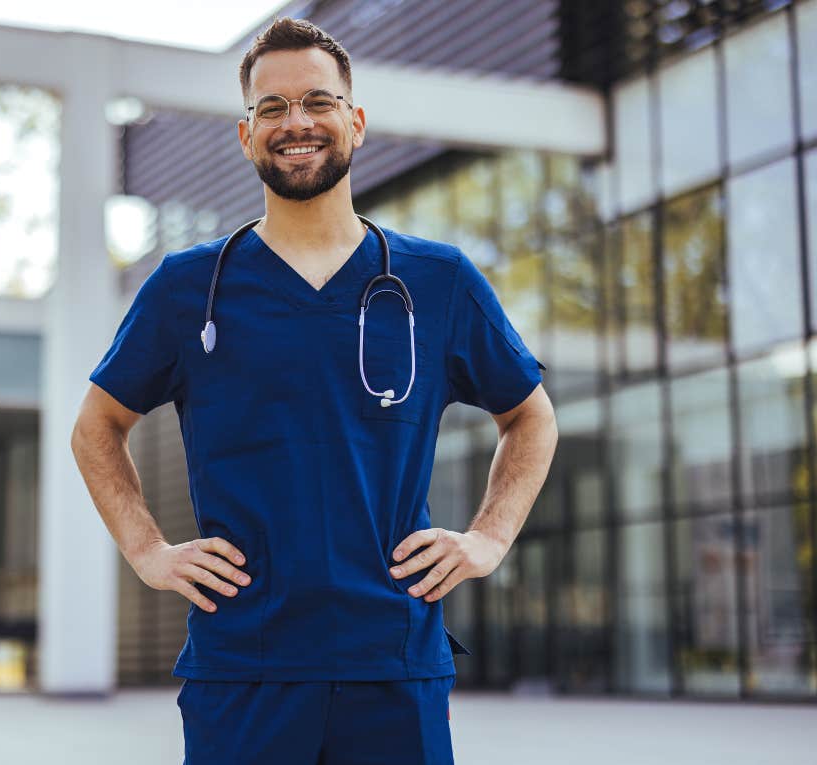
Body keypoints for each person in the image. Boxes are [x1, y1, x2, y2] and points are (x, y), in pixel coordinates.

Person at [71, 18, 559, 765]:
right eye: (272, 108)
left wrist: (488, 536)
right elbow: (96, 425)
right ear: (246, 135)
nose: (295, 122)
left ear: (355, 123)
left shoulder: (440, 282)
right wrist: (148, 551)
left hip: (393, 666)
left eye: (317, 102)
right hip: (244, 670)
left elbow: (529, 416)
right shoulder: (187, 289)